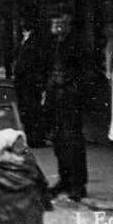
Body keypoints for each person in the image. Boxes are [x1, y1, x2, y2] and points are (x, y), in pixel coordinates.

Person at [46, 12, 92, 202]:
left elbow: (87, 72)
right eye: (54, 22)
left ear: (69, 24)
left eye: (60, 22)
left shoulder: (78, 44)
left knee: (73, 142)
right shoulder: (53, 43)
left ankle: (78, 184)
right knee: (59, 141)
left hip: (71, 99)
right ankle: (64, 179)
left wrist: (73, 86)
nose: (56, 26)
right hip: (56, 98)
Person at [14, 19, 49, 148]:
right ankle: (31, 137)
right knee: (27, 110)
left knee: (32, 110)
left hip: (30, 81)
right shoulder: (23, 40)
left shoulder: (34, 41)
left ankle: (36, 138)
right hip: (23, 81)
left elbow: (35, 61)